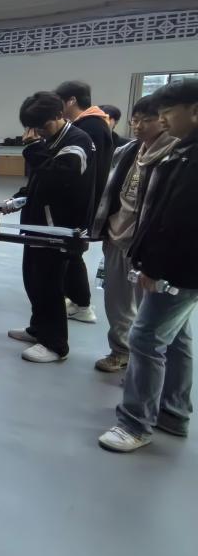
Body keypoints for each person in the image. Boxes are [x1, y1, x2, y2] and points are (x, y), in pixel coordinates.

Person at [98, 79, 198, 452]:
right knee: (177, 337)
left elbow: (179, 222)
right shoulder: (184, 151)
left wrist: (153, 266)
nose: (163, 119)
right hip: (175, 266)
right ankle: (173, 412)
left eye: (167, 112)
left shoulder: (189, 157)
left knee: (145, 338)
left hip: (178, 268)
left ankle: (135, 424)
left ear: (194, 111)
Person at [4, 92, 96, 363]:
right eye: (33, 128)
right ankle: (38, 328)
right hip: (38, 223)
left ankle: (55, 344)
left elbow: (58, 177)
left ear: (59, 115)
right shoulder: (50, 140)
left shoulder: (77, 141)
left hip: (59, 227)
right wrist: (20, 197)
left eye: (42, 126)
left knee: (50, 285)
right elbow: (39, 179)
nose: (38, 133)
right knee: (33, 279)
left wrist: (33, 148)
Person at [91, 96, 177, 372]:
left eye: (146, 121)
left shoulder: (175, 156)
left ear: (163, 121)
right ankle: (120, 351)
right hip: (117, 235)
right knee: (116, 301)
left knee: (150, 310)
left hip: (148, 246)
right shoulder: (127, 151)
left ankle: (147, 365)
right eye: (135, 120)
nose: (138, 126)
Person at [54, 80, 113, 324]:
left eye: (60, 102)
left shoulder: (91, 127)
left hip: (82, 201)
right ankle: (76, 299)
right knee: (69, 252)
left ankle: (83, 305)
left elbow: (87, 172)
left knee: (72, 252)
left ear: (71, 101)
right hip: (83, 200)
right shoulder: (90, 125)